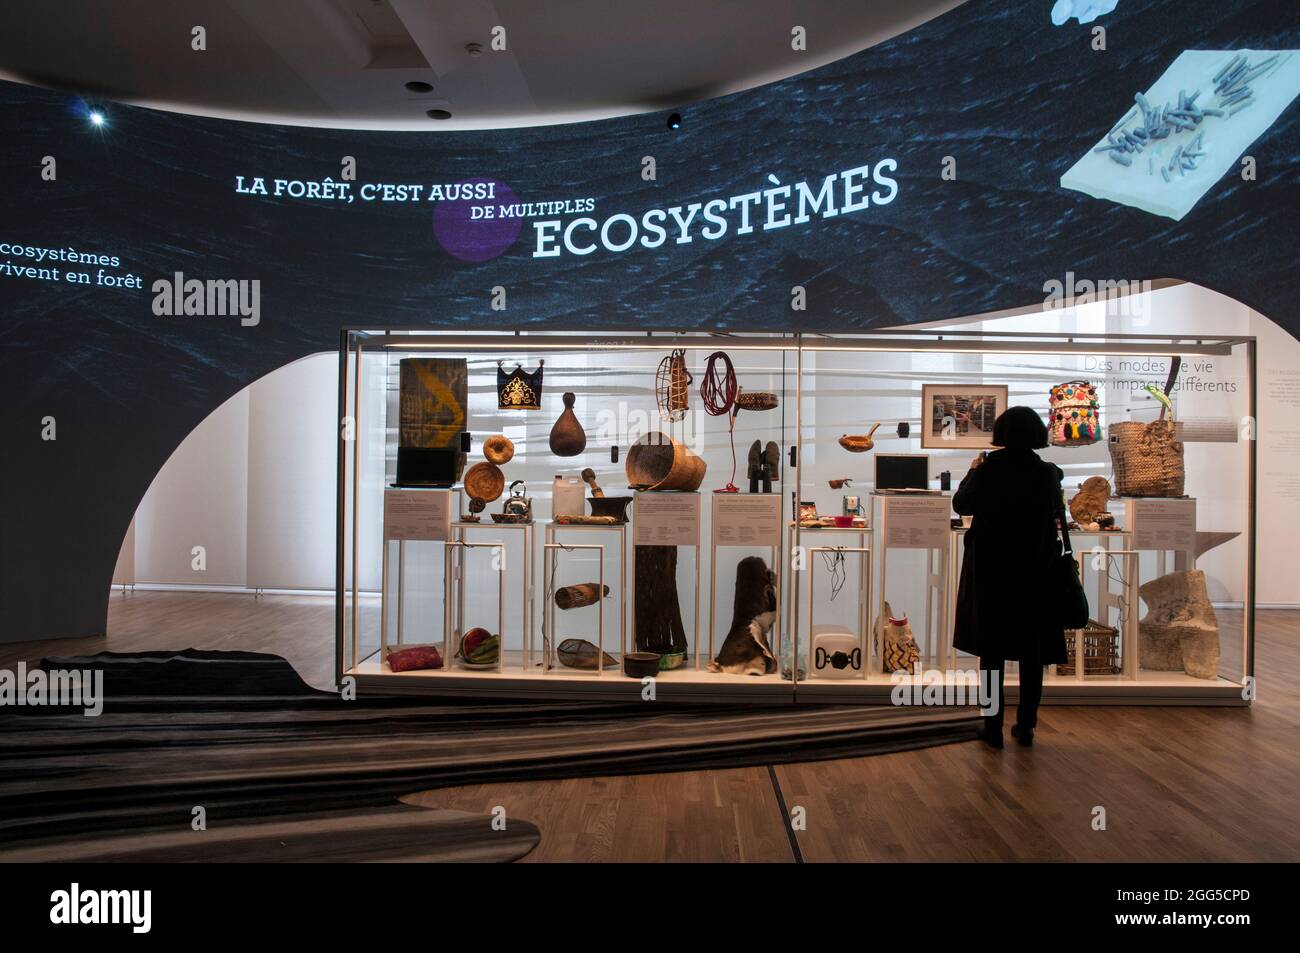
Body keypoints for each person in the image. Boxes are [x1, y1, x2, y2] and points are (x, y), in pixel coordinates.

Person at [952, 406, 1068, 748]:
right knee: (1033, 653)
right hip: (1036, 572)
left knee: (992, 654)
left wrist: (973, 470)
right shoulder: (1048, 473)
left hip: (993, 570)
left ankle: (992, 727)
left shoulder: (989, 469)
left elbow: (962, 505)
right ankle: (1027, 725)